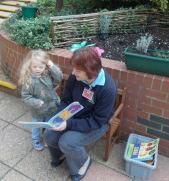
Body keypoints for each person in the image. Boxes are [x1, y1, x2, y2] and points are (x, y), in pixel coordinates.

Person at [43, 47, 117, 181]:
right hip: (74, 115)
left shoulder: (107, 88)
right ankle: (61, 155)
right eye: (74, 69)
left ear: (90, 72)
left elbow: (97, 120)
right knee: (48, 134)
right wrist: (60, 117)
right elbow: (67, 100)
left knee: (67, 142)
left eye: (77, 70)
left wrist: (68, 124)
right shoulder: (75, 77)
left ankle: (83, 161)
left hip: (97, 124)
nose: (72, 73)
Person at [19, 50, 63, 151]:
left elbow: (59, 77)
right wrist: (36, 102)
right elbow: (26, 96)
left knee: (49, 124)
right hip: (38, 109)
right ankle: (35, 139)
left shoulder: (47, 74)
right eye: (34, 67)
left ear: (45, 66)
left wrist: (50, 64)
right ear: (29, 65)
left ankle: (48, 138)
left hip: (51, 106)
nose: (37, 69)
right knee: (37, 125)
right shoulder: (29, 80)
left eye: (41, 67)